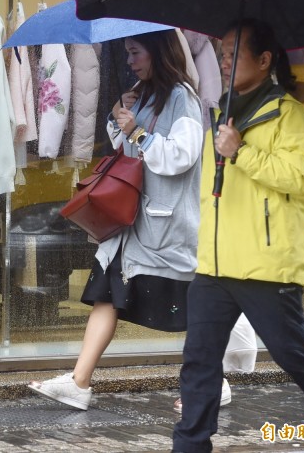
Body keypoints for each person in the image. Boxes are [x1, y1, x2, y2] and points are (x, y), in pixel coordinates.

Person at [172, 19, 304, 453]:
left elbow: (297, 176)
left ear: (265, 60)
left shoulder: (289, 115)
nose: (224, 60)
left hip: (265, 265)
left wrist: (242, 151)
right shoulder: (220, 112)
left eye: (234, 53)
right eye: (222, 52)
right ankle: (191, 444)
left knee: (295, 357)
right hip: (215, 264)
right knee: (199, 363)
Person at [28, 30, 203, 410]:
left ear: (157, 51)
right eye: (126, 53)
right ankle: (79, 381)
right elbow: (127, 153)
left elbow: (182, 157)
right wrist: (117, 117)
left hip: (164, 228)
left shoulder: (183, 99)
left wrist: (135, 129)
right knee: (105, 294)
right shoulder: (144, 94)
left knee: (195, 307)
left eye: (135, 52)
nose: (129, 61)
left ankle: (210, 383)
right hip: (132, 227)